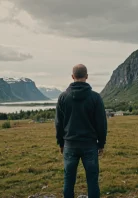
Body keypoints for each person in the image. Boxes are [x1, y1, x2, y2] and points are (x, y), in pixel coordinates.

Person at [55, 64, 107, 198]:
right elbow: (101, 123)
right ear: (87, 76)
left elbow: (59, 124)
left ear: (72, 77)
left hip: (69, 145)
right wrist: (101, 144)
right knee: (92, 180)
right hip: (90, 145)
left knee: (69, 179)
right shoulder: (95, 97)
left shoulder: (62, 97)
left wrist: (61, 143)